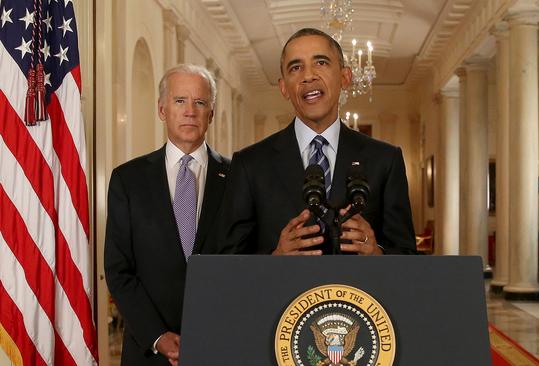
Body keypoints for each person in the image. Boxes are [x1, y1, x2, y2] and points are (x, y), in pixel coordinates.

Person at [217, 28, 415, 255]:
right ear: (284, 87)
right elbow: (227, 262)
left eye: (321, 62)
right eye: (296, 67)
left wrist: (378, 254)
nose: (308, 75)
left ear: (345, 77)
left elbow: (406, 254)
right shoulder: (248, 164)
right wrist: (274, 260)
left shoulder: (385, 160)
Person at [104, 64, 230, 365]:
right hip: (148, 351)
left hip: (220, 347)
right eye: (180, 101)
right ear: (162, 110)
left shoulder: (237, 177)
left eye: (200, 102)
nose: (190, 111)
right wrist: (157, 336)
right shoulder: (128, 179)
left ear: (210, 114)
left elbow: (245, 261)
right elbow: (119, 269)